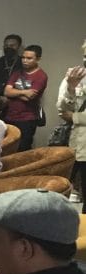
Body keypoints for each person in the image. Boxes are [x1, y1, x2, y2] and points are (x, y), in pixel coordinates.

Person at [56, 38, 86, 210]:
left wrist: (75, 117)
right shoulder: (74, 77)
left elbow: (70, 114)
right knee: (60, 191)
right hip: (72, 144)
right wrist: (71, 88)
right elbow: (61, 109)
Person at [4, 44, 47, 152]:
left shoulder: (41, 76)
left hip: (27, 119)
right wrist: (24, 92)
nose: (25, 61)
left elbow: (29, 97)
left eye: (29, 58)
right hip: (9, 116)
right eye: (23, 57)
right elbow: (6, 92)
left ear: (38, 59)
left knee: (22, 150)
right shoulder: (17, 73)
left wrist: (14, 93)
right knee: (6, 149)